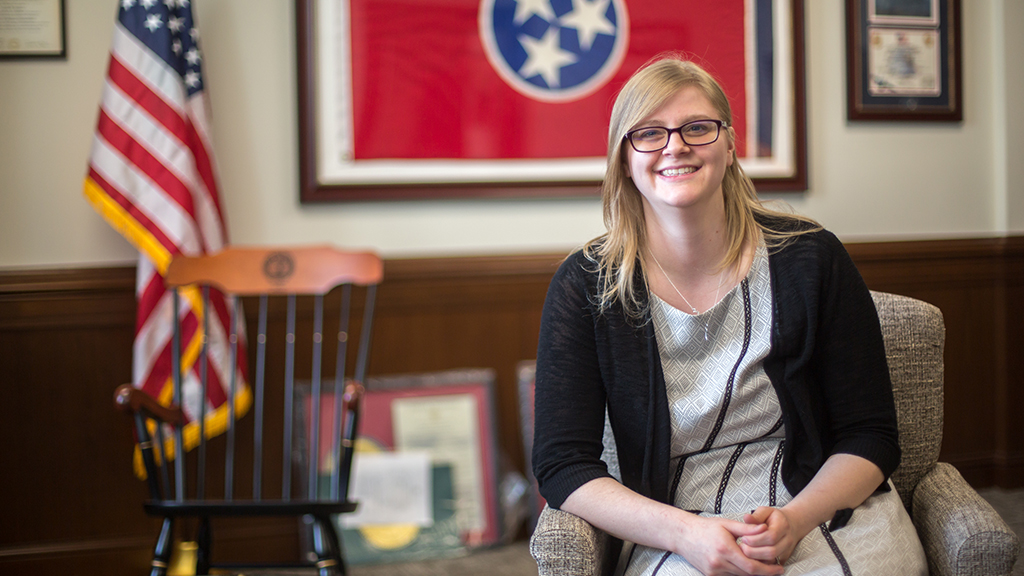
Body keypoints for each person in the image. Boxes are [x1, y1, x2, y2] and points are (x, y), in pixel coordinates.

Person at [531, 55, 928, 576]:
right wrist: (686, 534)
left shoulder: (812, 257)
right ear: (624, 159)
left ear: (730, 144)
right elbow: (562, 465)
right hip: (672, 524)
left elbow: (870, 433)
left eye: (698, 127)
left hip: (823, 506)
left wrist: (796, 520)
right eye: (649, 134)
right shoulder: (587, 284)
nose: (676, 146)